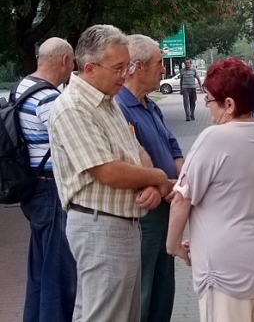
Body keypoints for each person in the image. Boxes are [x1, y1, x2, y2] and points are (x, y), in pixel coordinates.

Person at [48, 24, 174, 322]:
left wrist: (149, 183)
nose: (124, 74)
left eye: (127, 65)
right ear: (90, 68)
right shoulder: (74, 108)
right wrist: (157, 178)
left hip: (119, 226)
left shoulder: (106, 101)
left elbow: (135, 149)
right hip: (100, 227)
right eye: (118, 67)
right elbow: (108, 171)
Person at [167, 57, 254, 322]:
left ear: (229, 104)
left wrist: (173, 245)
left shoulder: (214, 137)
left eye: (209, 99)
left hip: (226, 271)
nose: (206, 106)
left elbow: (182, 198)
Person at [115, 35, 184, 322]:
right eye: (159, 63)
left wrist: (179, 182)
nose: (164, 70)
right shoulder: (118, 108)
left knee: (163, 288)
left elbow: (174, 149)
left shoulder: (151, 106)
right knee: (142, 290)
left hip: (166, 206)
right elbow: (127, 160)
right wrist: (159, 184)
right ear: (139, 67)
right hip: (144, 213)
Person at [14, 37, 77, 322]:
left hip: (31, 186)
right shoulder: (49, 98)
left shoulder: (22, 87)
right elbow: (70, 142)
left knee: (39, 271)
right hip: (51, 189)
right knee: (58, 273)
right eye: (72, 63)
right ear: (64, 60)